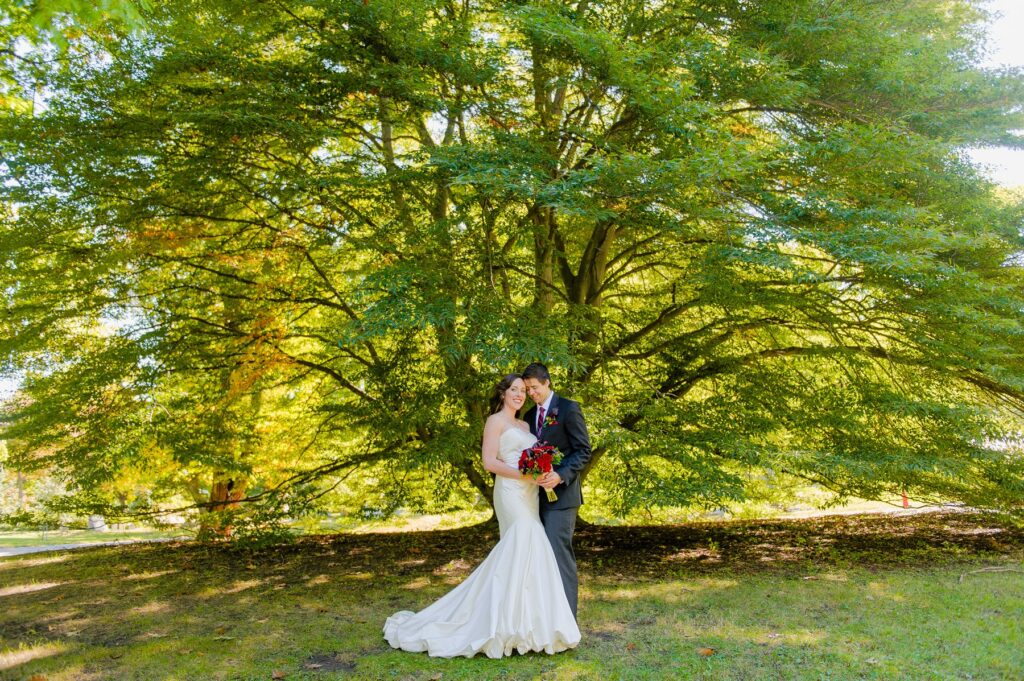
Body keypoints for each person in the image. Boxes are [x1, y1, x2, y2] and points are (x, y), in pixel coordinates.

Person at [383, 374, 581, 658]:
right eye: (514, 389)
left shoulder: (526, 424)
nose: (520, 394)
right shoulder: (495, 421)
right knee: (523, 539)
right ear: (502, 393)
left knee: (530, 552)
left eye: (524, 390)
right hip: (511, 492)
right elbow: (489, 462)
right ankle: (497, 624)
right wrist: (526, 474)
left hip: (529, 494)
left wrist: (538, 472)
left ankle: (526, 625)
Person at [521, 361, 592, 620]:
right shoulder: (529, 417)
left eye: (534, 387)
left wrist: (560, 475)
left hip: (562, 499)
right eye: (528, 389)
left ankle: (567, 621)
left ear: (547, 382)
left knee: (559, 556)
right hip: (532, 499)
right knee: (538, 557)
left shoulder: (569, 408)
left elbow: (583, 450)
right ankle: (545, 619)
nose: (531, 393)